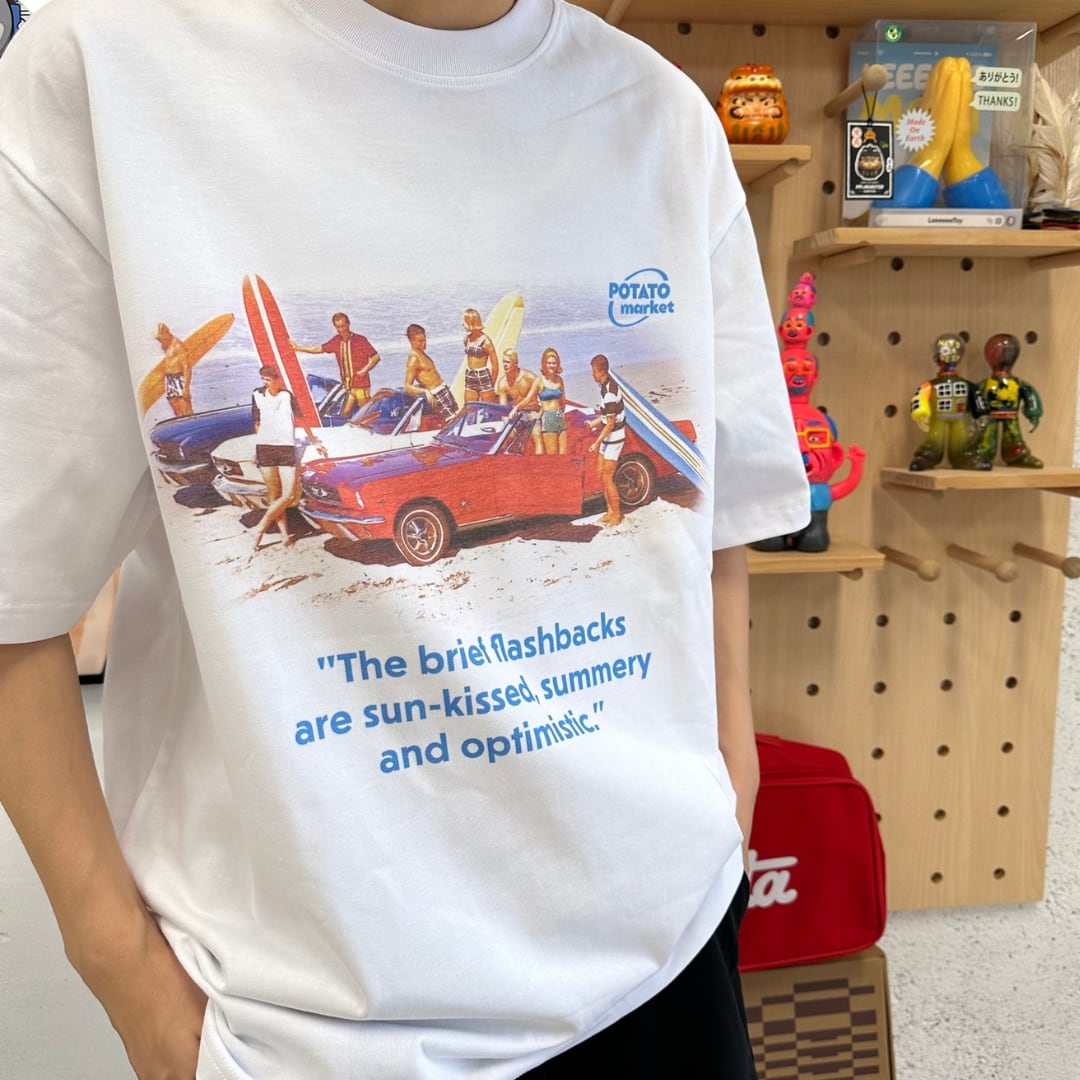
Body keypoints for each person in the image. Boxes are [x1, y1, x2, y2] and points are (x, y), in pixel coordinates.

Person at [0, 2, 810, 1079]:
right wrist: (127, 978)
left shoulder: (661, 112)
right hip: (312, 1031)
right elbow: (13, 599)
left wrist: (729, 787)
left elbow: (716, 527)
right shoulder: (103, 66)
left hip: (671, 959)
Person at [250, 365, 329, 550]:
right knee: (274, 495)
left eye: (268, 380)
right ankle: (285, 536)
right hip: (265, 448)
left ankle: (260, 527)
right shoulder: (257, 395)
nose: (265, 383)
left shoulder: (286, 396)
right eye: (263, 379)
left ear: (277, 380)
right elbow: (257, 422)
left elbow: (301, 418)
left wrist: (314, 442)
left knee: (289, 495)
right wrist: (256, 447)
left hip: (286, 447)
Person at [291, 311, 381, 417]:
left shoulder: (360, 340)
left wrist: (364, 371)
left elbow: (376, 357)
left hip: (361, 386)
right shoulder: (336, 341)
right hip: (348, 387)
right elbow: (319, 349)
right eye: (338, 327)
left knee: (365, 415)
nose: (341, 330)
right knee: (344, 414)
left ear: (348, 324)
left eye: (343, 326)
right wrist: (299, 348)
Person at [510, 347, 584, 455]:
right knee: (552, 457)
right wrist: (516, 408)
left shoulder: (559, 380)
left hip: (559, 418)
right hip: (548, 419)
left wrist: (561, 414)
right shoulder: (539, 381)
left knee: (563, 456)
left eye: (554, 363)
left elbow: (563, 402)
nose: (552, 365)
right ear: (544, 364)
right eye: (549, 363)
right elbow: (528, 399)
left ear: (557, 364)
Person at [585, 353, 626, 527]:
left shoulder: (609, 393)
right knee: (601, 474)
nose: (592, 374)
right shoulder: (604, 386)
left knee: (608, 477)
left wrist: (596, 443)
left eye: (594, 371)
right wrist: (592, 423)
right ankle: (609, 511)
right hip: (608, 436)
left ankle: (616, 515)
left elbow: (610, 424)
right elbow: (605, 416)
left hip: (614, 438)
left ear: (601, 371)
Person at [402, 322, 459, 424]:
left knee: (458, 417)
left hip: (443, 390)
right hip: (436, 394)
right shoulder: (413, 359)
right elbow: (407, 387)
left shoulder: (421, 353)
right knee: (452, 422)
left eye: (425, 340)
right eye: (420, 341)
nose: (424, 343)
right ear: (411, 341)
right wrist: (425, 392)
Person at [496, 347, 542, 453]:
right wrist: (507, 423)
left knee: (537, 435)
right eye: (503, 362)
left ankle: (540, 462)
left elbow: (546, 397)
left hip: (532, 412)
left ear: (515, 363)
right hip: (516, 414)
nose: (505, 365)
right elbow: (503, 409)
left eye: (508, 362)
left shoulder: (529, 377)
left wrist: (539, 414)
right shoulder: (502, 383)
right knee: (504, 438)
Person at [155, 322, 194, 417]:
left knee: (186, 409)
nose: (159, 340)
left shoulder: (177, 345)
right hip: (169, 379)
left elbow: (187, 366)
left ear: (166, 333)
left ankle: (192, 423)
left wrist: (186, 388)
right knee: (176, 410)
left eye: (160, 338)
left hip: (179, 378)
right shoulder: (165, 345)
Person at [461, 307, 499, 402]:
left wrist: (491, 384)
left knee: (487, 408)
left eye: (464, 322)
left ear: (471, 322)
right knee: (469, 407)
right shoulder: (466, 339)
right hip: (470, 375)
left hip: (483, 376)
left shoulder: (486, 342)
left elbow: (495, 365)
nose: (462, 324)